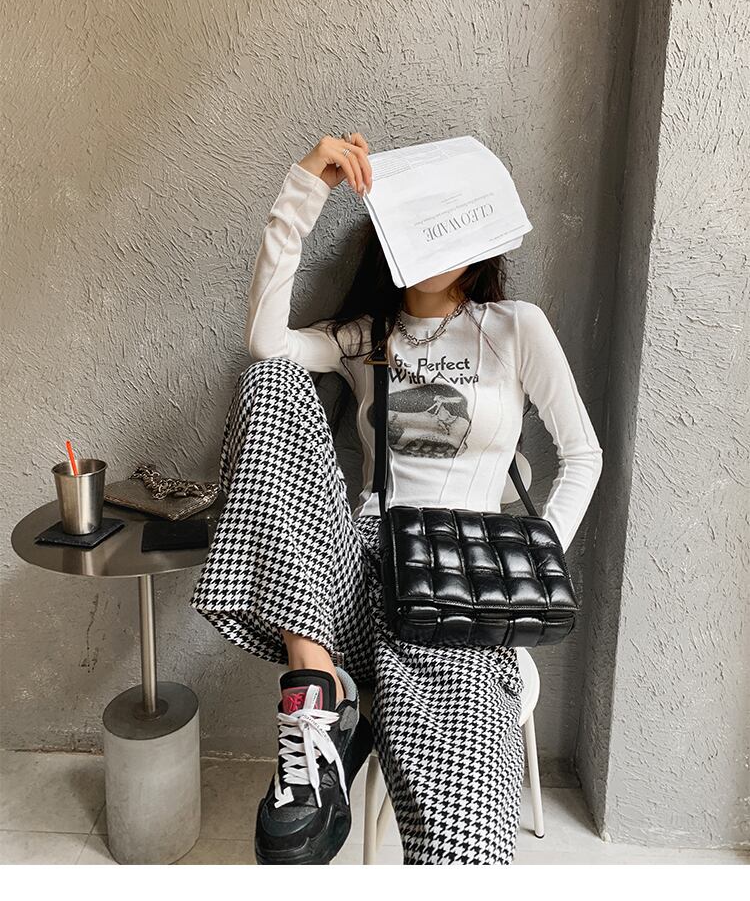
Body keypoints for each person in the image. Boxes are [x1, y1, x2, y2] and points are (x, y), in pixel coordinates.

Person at [190, 131, 604, 865]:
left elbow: (583, 456)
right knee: (268, 380)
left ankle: (361, 719)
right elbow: (265, 341)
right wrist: (304, 188)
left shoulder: (515, 327)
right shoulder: (365, 337)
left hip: (460, 600)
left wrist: (525, 567)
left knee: (466, 847)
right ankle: (316, 695)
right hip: (356, 575)